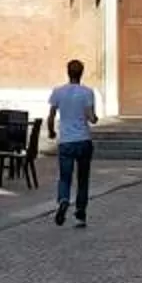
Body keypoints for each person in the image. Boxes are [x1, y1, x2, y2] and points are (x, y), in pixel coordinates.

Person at [47, 58, 98, 228]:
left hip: (66, 141)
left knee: (65, 177)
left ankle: (63, 200)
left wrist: (51, 131)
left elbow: (51, 116)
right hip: (83, 140)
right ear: (82, 73)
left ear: (68, 73)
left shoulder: (58, 92)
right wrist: (94, 118)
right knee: (82, 179)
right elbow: (91, 117)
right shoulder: (87, 92)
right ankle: (80, 214)